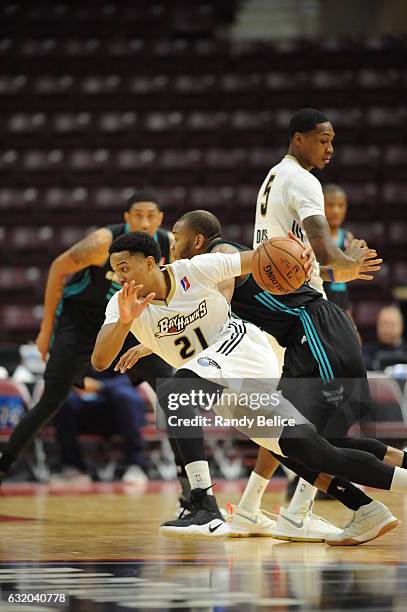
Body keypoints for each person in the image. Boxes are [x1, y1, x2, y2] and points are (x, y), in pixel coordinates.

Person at [92, 231, 405, 543]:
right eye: (115, 270)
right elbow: (101, 360)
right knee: (311, 452)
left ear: (149, 263)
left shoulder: (194, 270)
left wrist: (303, 255)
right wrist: (123, 322)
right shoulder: (122, 304)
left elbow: (258, 258)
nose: (118, 276)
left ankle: (203, 503)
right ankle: (369, 507)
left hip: (242, 352)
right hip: (217, 382)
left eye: (124, 267)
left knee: (174, 392)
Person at [0, 190, 173, 482]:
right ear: (126, 218)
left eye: (150, 215)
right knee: (52, 399)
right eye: (138, 215)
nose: (144, 222)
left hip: (127, 322)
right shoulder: (101, 243)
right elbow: (57, 269)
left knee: (172, 392)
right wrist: (45, 333)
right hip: (81, 322)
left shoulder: (169, 244)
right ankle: (4, 465)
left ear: (160, 218)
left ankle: (192, 486)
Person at [52, 369, 148, 484]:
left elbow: (133, 377)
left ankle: (135, 464)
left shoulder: (125, 351)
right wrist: (76, 383)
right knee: (63, 402)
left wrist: (100, 386)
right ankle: (73, 467)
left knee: (124, 396)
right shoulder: (75, 352)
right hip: (87, 409)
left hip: (117, 410)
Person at [322, 184, 354, 314]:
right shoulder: (314, 238)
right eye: (330, 205)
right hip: (321, 306)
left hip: (342, 305)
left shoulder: (348, 238)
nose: (336, 210)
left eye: (340, 205)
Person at [363, 305, 407, 371]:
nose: (387, 330)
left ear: (401, 327)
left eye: (391, 324)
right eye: (384, 324)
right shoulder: (365, 352)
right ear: (377, 326)